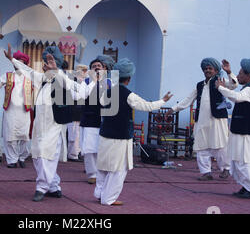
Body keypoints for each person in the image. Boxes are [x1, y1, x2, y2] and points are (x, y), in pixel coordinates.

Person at [4, 44, 81, 202]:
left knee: (47, 154)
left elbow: (77, 89)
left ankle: (42, 187)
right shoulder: (42, 79)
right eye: (45, 62)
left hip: (54, 125)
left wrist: (56, 71)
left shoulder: (64, 79)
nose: (46, 65)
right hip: (39, 125)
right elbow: (28, 71)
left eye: (50, 62)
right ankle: (54, 186)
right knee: (38, 155)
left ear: (57, 63)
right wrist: (12, 59)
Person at [95, 58, 172, 205]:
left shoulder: (106, 92)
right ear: (129, 78)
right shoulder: (128, 95)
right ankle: (108, 199)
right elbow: (147, 106)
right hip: (120, 137)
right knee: (118, 169)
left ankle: (100, 193)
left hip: (105, 134)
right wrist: (163, 100)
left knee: (104, 166)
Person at [165, 58, 237, 181]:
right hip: (202, 120)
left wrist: (229, 72)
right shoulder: (199, 85)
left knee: (220, 146)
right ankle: (206, 172)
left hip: (217, 120)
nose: (207, 70)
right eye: (205, 68)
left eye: (210, 68)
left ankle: (226, 169)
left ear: (215, 70)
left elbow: (234, 85)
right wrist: (173, 109)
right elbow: (188, 100)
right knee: (201, 147)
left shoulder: (220, 81)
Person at [216, 58, 250, 199]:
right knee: (237, 161)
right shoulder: (246, 88)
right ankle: (246, 186)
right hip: (239, 131)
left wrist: (220, 88)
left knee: (246, 162)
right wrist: (227, 79)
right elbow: (235, 95)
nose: (238, 75)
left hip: (247, 134)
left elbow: (237, 97)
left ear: (248, 75)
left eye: (240, 73)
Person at [79, 55, 113, 184]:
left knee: (102, 148)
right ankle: (92, 174)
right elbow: (82, 96)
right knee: (89, 149)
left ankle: (102, 173)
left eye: (99, 66)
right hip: (89, 119)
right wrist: (94, 81)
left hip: (105, 119)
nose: (97, 68)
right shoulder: (86, 82)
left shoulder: (110, 83)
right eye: (94, 67)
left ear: (105, 69)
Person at [66, 64, 88, 162]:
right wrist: (83, 97)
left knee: (79, 134)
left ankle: (78, 152)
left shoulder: (84, 84)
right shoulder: (72, 82)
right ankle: (72, 154)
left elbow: (87, 95)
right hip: (73, 110)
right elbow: (74, 96)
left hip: (81, 110)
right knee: (73, 134)